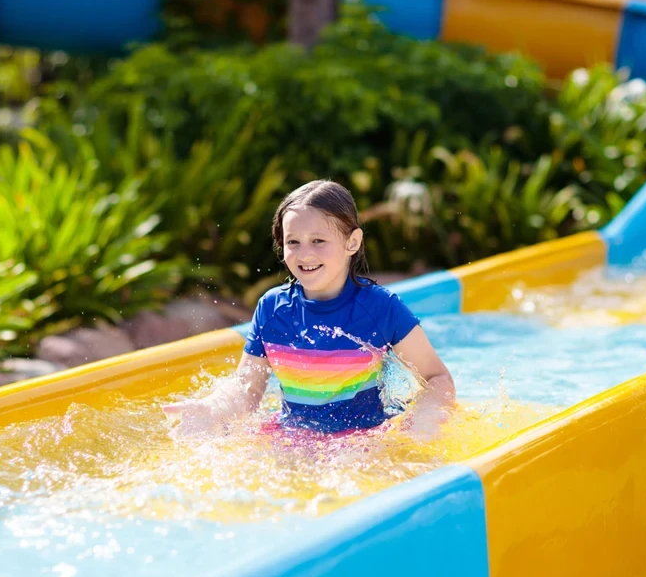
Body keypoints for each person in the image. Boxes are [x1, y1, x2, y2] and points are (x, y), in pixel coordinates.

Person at [163, 180, 455, 437]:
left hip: (361, 441)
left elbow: (437, 378)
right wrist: (214, 408)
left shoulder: (380, 308)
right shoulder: (272, 309)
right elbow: (247, 389)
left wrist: (424, 420)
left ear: (352, 242)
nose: (305, 254)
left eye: (318, 241)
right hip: (291, 436)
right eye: (293, 242)